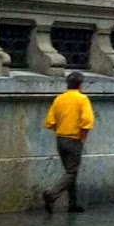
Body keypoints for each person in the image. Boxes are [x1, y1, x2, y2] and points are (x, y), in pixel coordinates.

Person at [42, 70, 94, 213]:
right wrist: (82, 136)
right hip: (74, 139)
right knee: (71, 171)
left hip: (60, 139)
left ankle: (73, 203)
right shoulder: (82, 99)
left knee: (70, 172)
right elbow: (87, 121)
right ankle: (52, 194)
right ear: (80, 85)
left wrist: (61, 131)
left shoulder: (59, 99)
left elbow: (50, 122)